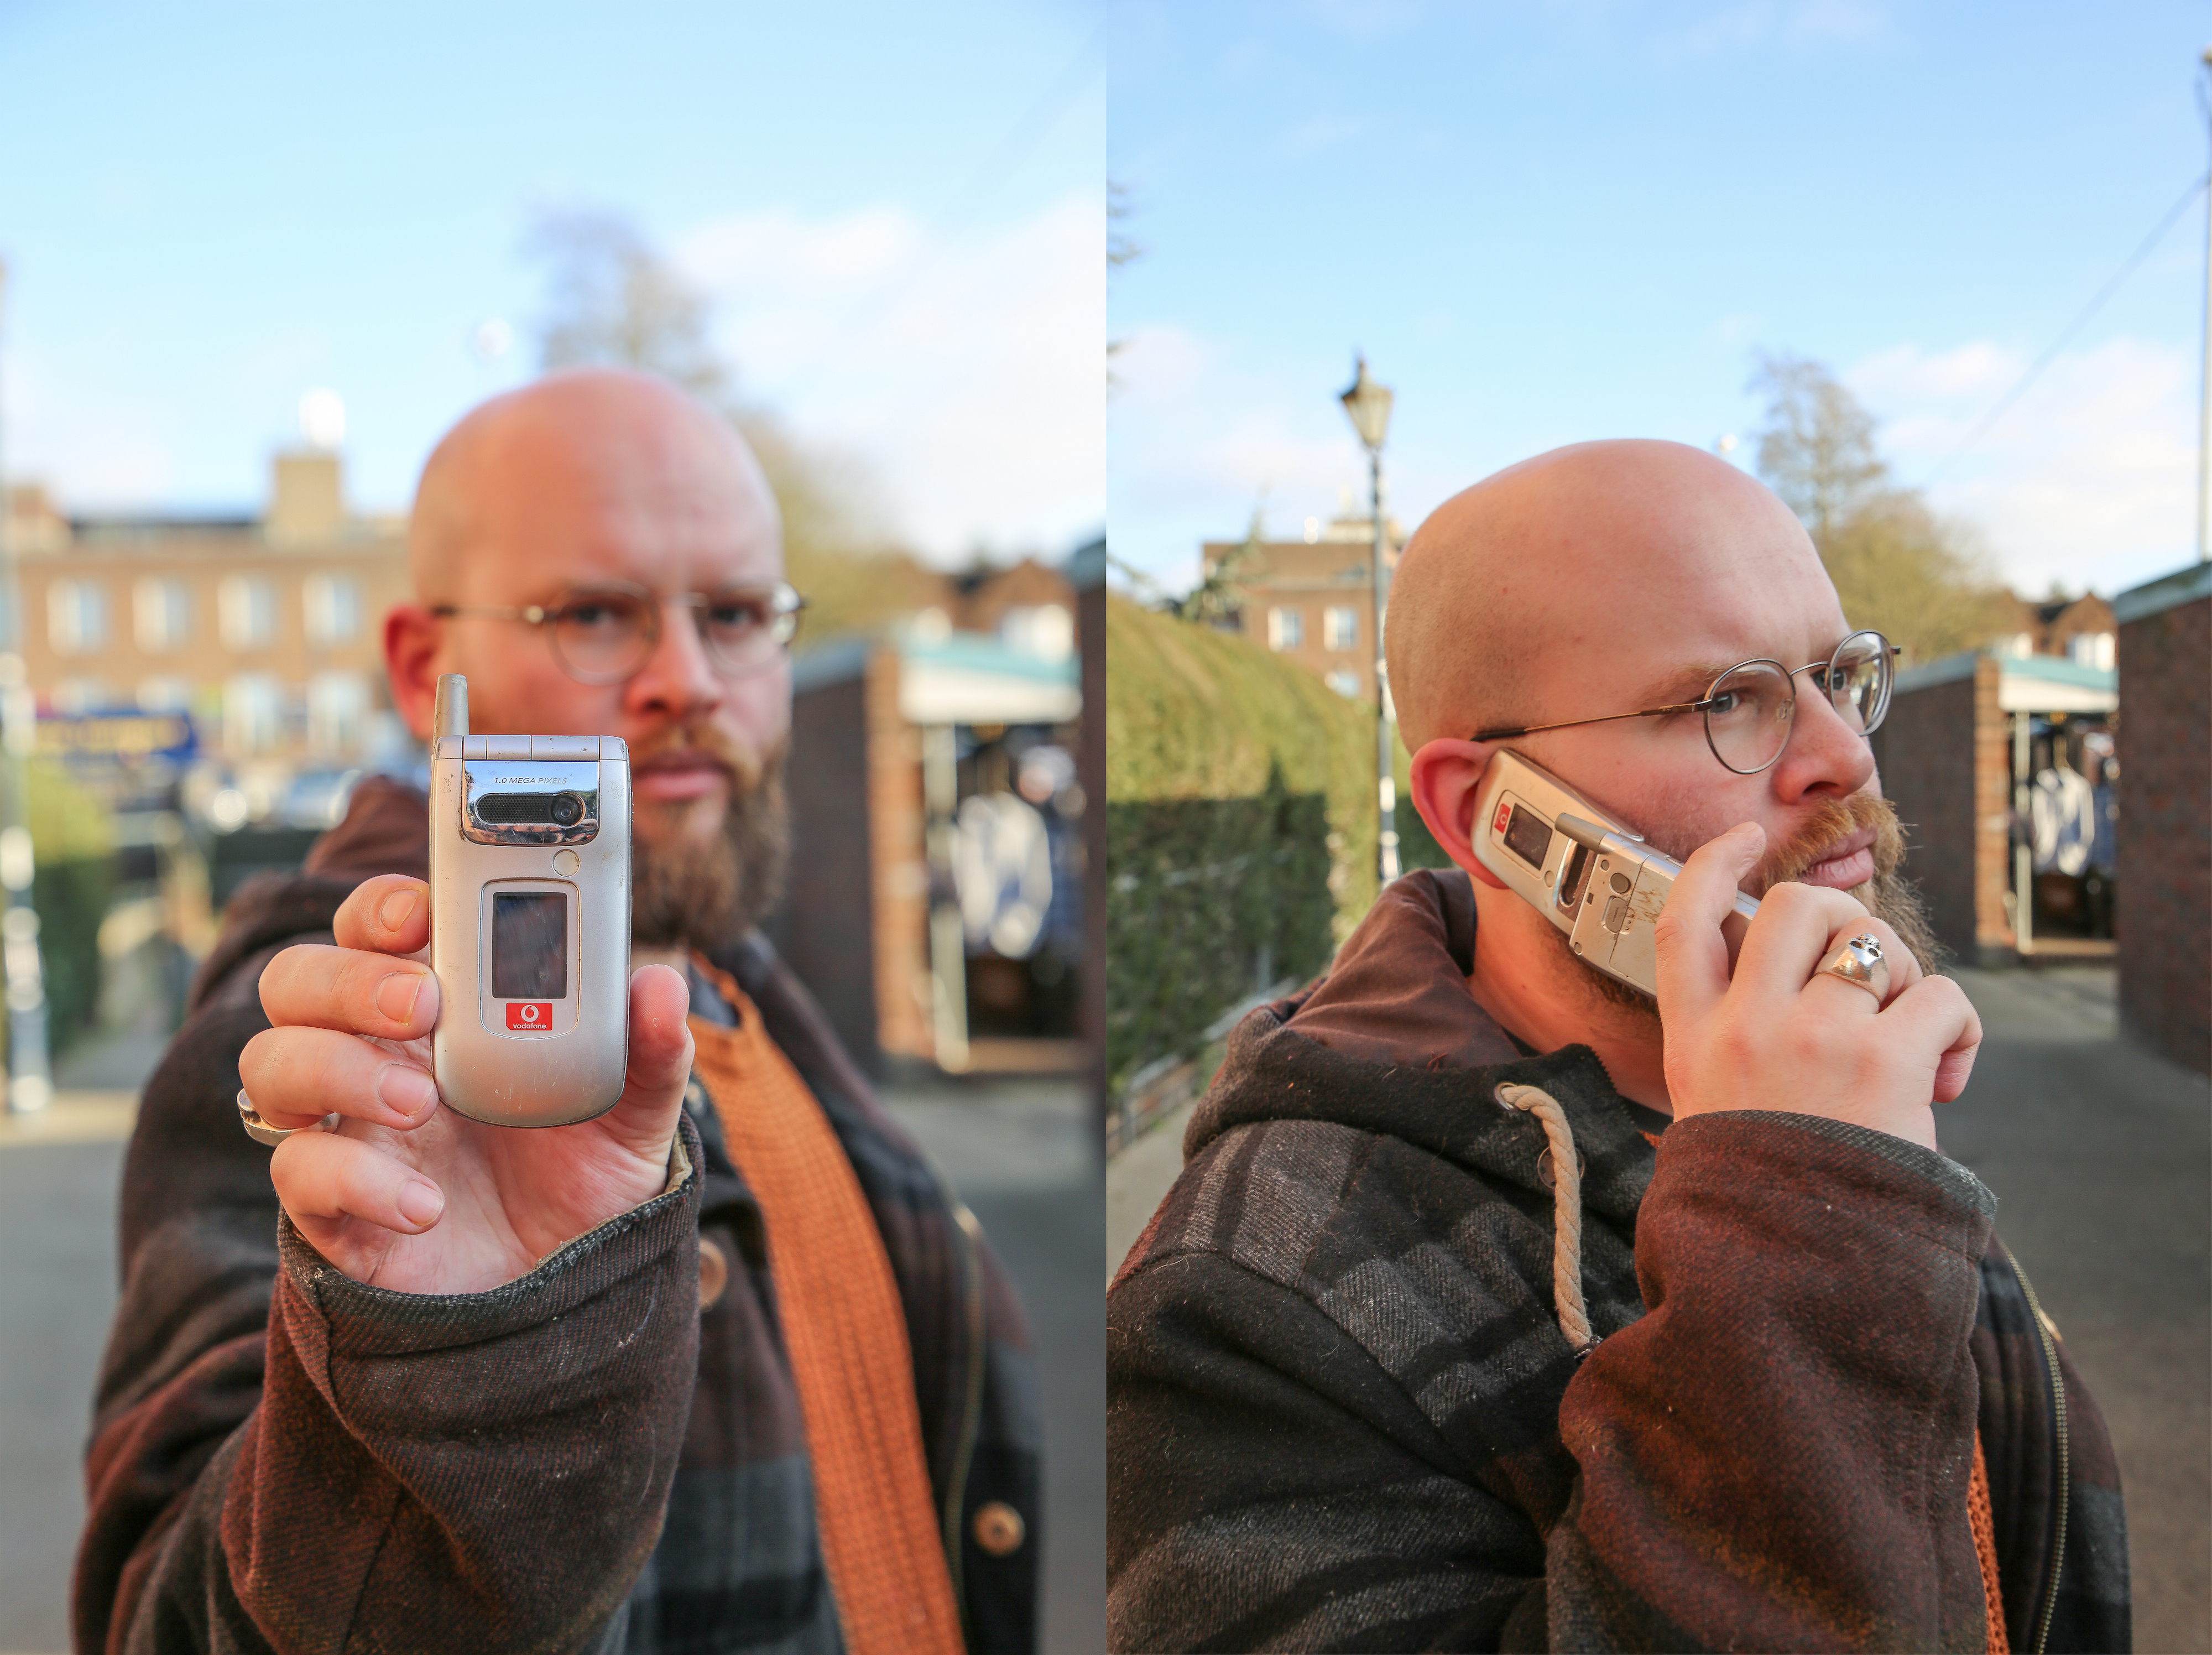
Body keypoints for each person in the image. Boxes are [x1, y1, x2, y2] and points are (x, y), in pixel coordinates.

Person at [1106, 440, 2127, 1652]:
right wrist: (1805, 1216)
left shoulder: (1827, 1089)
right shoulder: (1243, 1310)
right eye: (1727, 700)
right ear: (1486, 811)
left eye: (1839, 674)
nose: (1844, 756)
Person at [75, 369, 1039, 1654]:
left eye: (740, 612)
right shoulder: (336, 1064)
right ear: (427, 672)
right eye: (593, 612)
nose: (686, 678)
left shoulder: (731, 981)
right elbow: (164, 1620)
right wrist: (460, 1371)